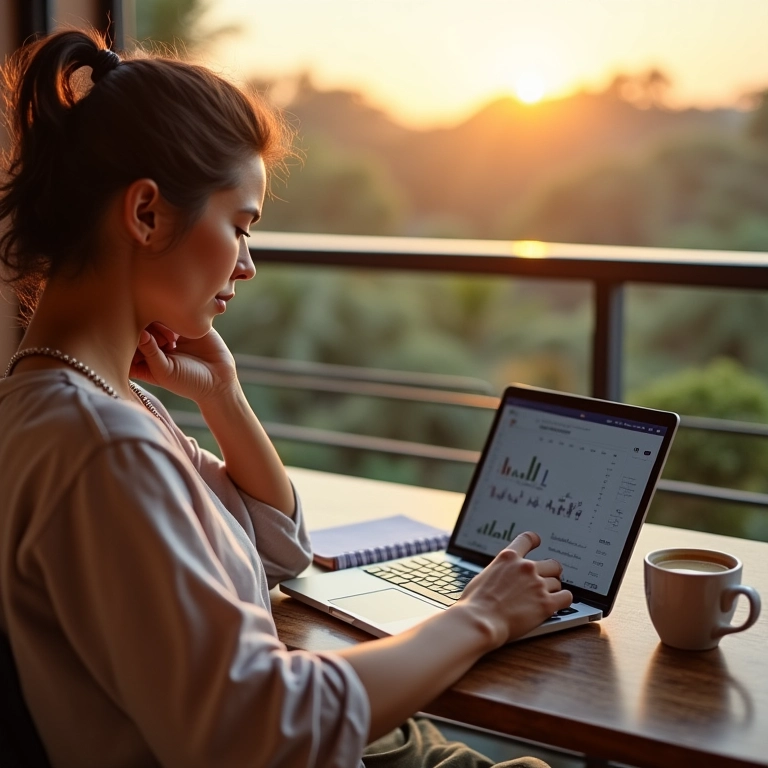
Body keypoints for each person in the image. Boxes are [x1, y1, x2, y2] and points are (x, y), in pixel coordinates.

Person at [0, 28, 572, 768]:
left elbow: (276, 548)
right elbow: (258, 732)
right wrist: (479, 619)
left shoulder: (70, 403)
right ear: (146, 215)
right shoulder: (103, 443)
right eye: (239, 227)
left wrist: (226, 401)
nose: (248, 264)